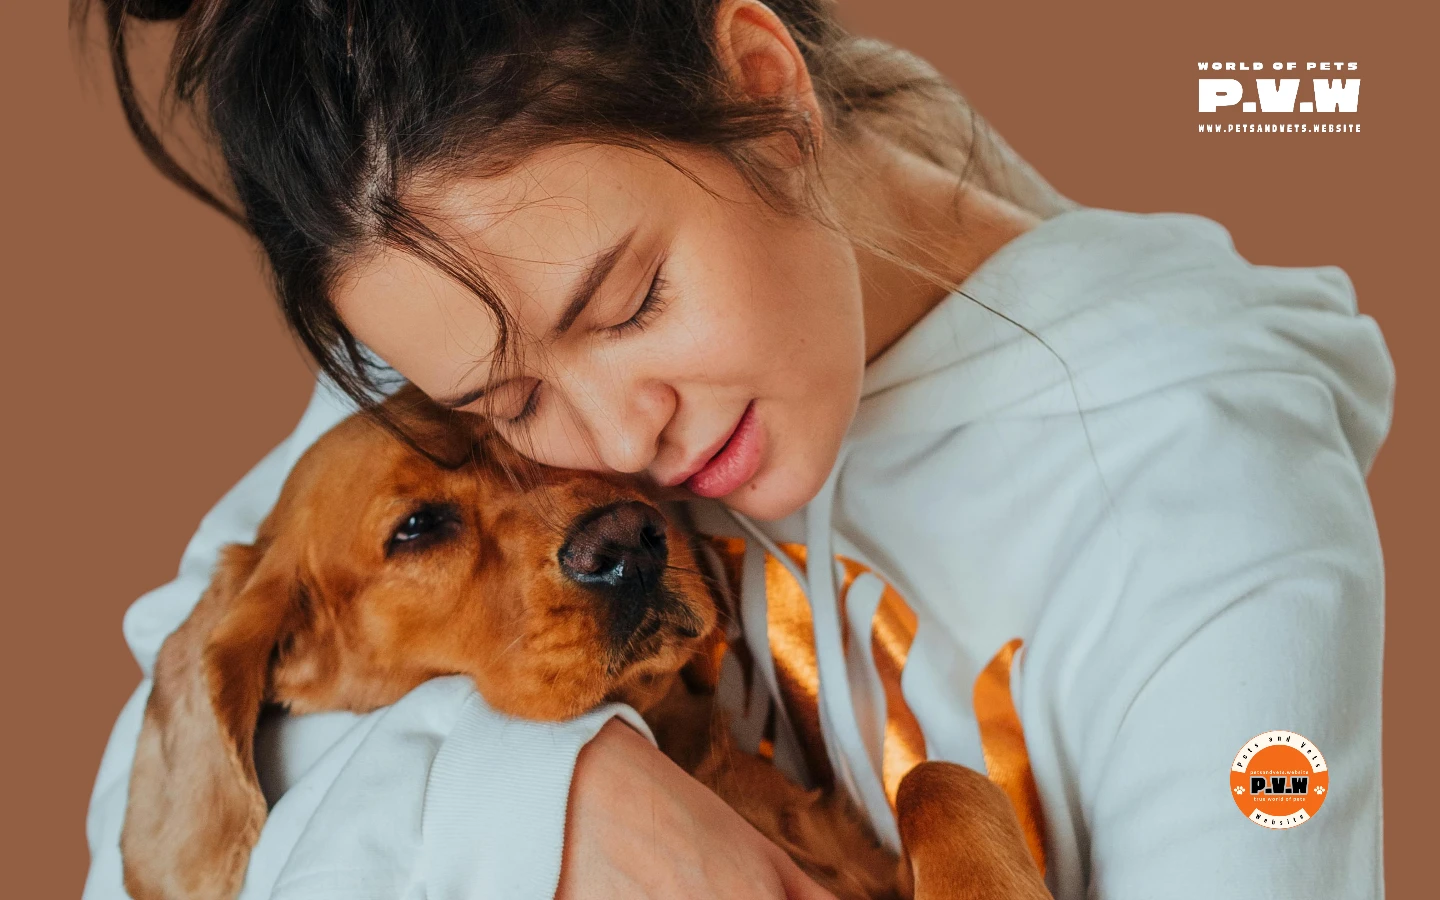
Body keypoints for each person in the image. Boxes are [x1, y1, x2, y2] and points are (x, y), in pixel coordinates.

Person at [77, 1, 1393, 898]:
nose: (605, 446)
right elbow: (151, 806)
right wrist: (554, 807)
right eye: (511, 406)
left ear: (766, 89)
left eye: (629, 304)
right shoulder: (474, 330)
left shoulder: (1217, 508)